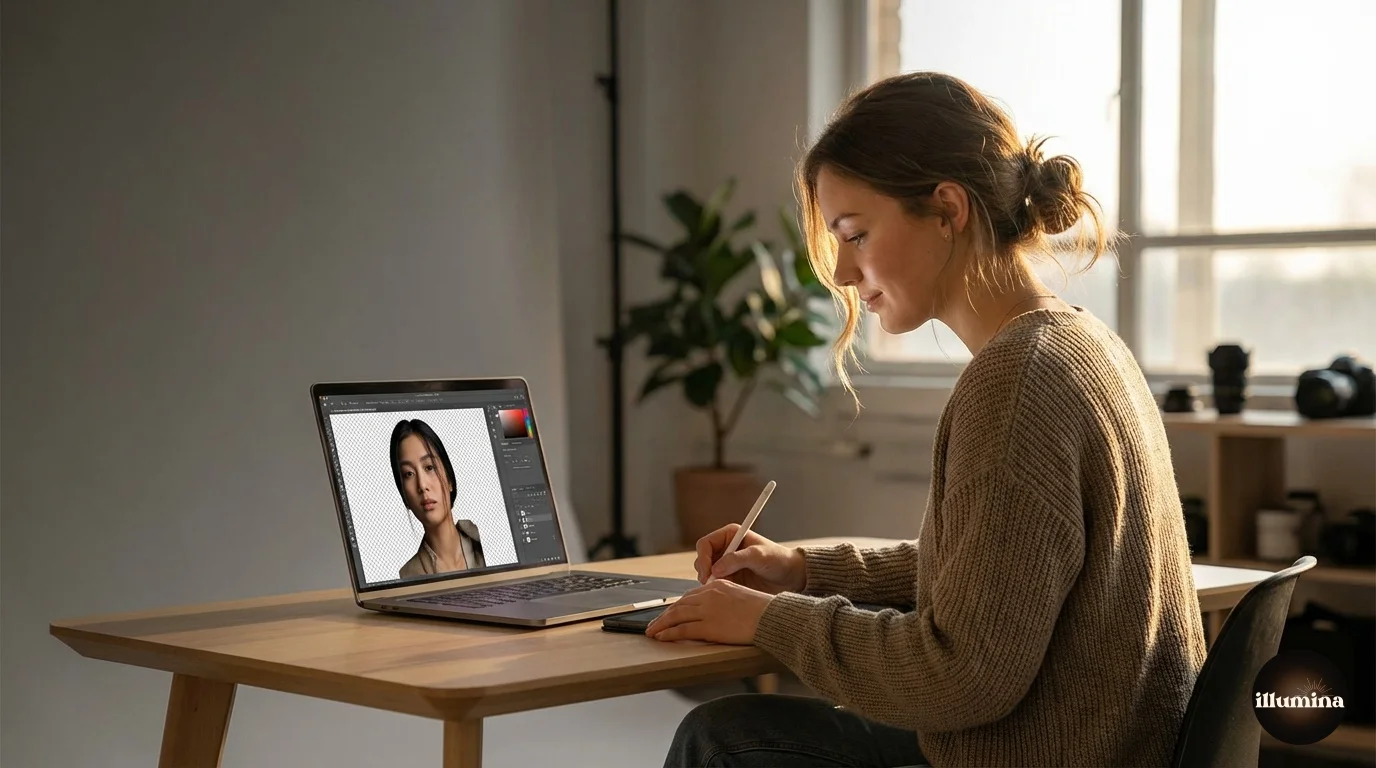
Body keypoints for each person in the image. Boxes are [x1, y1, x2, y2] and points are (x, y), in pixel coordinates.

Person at [647, 72, 1207, 768]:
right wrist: (800, 570)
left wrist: (769, 620)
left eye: (855, 234)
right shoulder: (1082, 342)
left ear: (947, 209)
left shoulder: (1018, 380)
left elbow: (961, 676)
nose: (846, 273)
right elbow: (996, 574)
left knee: (722, 740)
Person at [390, 418, 486, 578]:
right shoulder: (409, 575)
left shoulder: (487, 543)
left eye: (429, 467)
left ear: (449, 480)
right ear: (404, 495)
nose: (422, 485)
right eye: (408, 474)